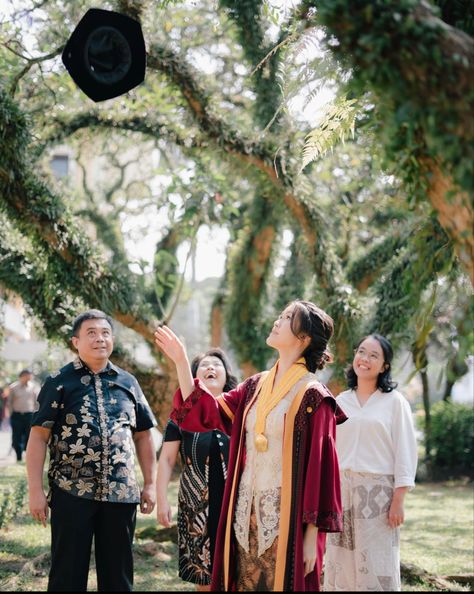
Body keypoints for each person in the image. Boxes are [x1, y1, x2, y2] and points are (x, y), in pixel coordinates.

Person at [155, 300, 347, 591]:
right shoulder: (255, 386)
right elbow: (207, 413)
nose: (277, 321)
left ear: (303, 338)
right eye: (280, 315)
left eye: (286, 318)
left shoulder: (313, 396)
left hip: (287, 518)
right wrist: (182, 362)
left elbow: (321, 468)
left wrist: (312, 539)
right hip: (243, 513)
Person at [26, 309, 157, 592]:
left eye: (105, 333)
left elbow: (144, 436)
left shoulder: (128, 383)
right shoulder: (58, 382)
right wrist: (34, 490)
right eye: (91, 333)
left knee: (118, 577)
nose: (100, 338)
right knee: (67, 576)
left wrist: (150, 485)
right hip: (71, 491)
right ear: (76, 341)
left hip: (121, 494)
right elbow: (38, 438)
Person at [323, 334, 418, 592]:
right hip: (341, 493)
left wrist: (399, 500)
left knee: (377, 565)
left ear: (384, 366)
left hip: (378, 496)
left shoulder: (395, 402)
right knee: (340, 563)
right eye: (361, 351)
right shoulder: (340, 401)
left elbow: (406, 452)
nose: (365, 359)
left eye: (374, 355)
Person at [156, 347, 238, 591]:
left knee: (238, 570)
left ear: (227, 375)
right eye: (204, 365)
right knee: (203, 574)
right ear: (192, 377)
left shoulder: (241, 411)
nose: (210, 368)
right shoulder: (180, 415)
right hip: (195, 503)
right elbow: (167, 459)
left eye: (216, 364)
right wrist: (162, 499)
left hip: (236, 499)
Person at [8, 368, 40, 462]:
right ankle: (18, 456)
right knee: (16, 437)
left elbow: (36, 402)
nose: (29, 377)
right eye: (27, 376)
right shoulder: (13, 387)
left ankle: (27, 456)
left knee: (29, 437)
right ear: (22, 376)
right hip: (17, 415)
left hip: (29, 415)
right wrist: (11, 414)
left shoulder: (34, 387)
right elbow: (9, 402)